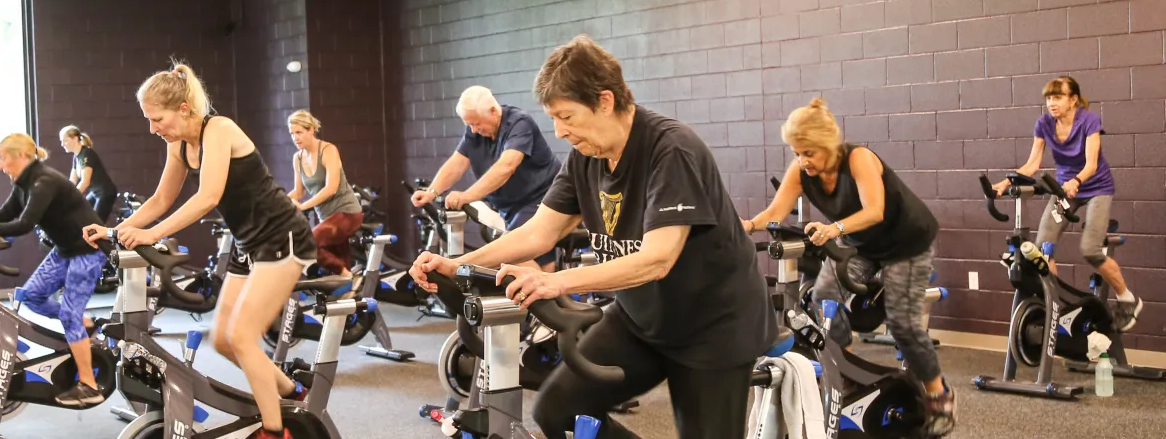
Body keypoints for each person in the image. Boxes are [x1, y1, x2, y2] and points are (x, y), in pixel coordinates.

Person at [410, 36, 777, 439]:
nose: (559, 131)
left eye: (566, 116)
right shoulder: (587, 156)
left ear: (604, 101)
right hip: (643, 319)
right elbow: (538, 232)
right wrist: (461, 264)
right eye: (553, 118)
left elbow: (658, 259)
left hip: (712, 325)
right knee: (558, 410)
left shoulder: (670, 150)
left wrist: (556, 280)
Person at [84, 62, 317, 439]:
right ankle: (293, 392)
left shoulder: (219, 129)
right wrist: (117, 230)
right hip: (249, 244)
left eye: (156, 118)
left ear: (183, 109)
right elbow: (162, 198)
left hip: (283, 238)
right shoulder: (179, 144)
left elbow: (208, 197)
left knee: (242, 337)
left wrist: (151, 235)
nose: (152, 128)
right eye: (148, 119)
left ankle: (277, 432)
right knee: (223, 340)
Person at [742, 97, 955, 435]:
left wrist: (834, 228)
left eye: (809, 153)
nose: (802, 160)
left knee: (903, 324)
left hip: (907, 243)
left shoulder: (859, 159)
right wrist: (748, 225)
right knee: (823, 295)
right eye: (797, 153)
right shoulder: (801, 172)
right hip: (863, 245)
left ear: (827, 145)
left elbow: (875, 211)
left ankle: (939, 394)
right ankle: (848, 374)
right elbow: (774, 212)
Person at [0, 134, 108, 406]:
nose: (0, 165)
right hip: (64, 250)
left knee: (69, 315)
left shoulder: (44, 180)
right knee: (30, 296)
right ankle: (86, 325)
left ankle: (89, 385)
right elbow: (6, 212)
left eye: (3, 158)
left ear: (21, 155)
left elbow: (24, 224)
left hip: (88, 252)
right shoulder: (24, 182)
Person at [991, 76, 1142, 332]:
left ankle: (1128, 299)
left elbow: (1092, 164)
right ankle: (1056, 304)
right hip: (1063, 190)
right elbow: (1033, 164)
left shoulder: (1089, 120)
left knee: (1090, 249)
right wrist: (1006, 181)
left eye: (1058, 97)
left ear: (1073, 99)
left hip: (1096, 188)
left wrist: (1077, 180)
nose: (1052, 103)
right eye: (1049, 98)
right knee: (1040, 251)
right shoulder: (1044, 124)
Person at [411, 85, 563, 269]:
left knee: (510, 252)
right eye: (470, 125)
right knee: (538, 260)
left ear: (493, 111)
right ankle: (551, 295)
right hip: (511, 207)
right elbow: (457, 162)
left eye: (476, 123)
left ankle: (545, 293)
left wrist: (466, 196)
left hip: (541, 199)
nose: (474, 130)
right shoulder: (476, 131)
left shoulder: (519, 123)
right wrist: (432, 192)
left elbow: (506, 167)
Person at [285, 110, 362, 277]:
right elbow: (298, 192)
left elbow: (331, 188)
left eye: (299, 132)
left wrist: (304, 206)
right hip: (326, 217)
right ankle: (349, 286)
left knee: (309, 244)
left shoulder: (328, 150)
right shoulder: (297, 158)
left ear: (311, 129)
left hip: (347, 212)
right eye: (292, 133)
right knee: (340, 260)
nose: (295, 137)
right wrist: (276, 202)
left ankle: (346, 277)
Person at [61, 125, 118, 225]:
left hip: (104, 193)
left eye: (65, 140)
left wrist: (71, 198)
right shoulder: (76, 157)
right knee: (80, 213)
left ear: (74, 139)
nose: (62, 144)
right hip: (95, 193)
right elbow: (72, 182)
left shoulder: (86, 154)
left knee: (95, 224)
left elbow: (85, 181)